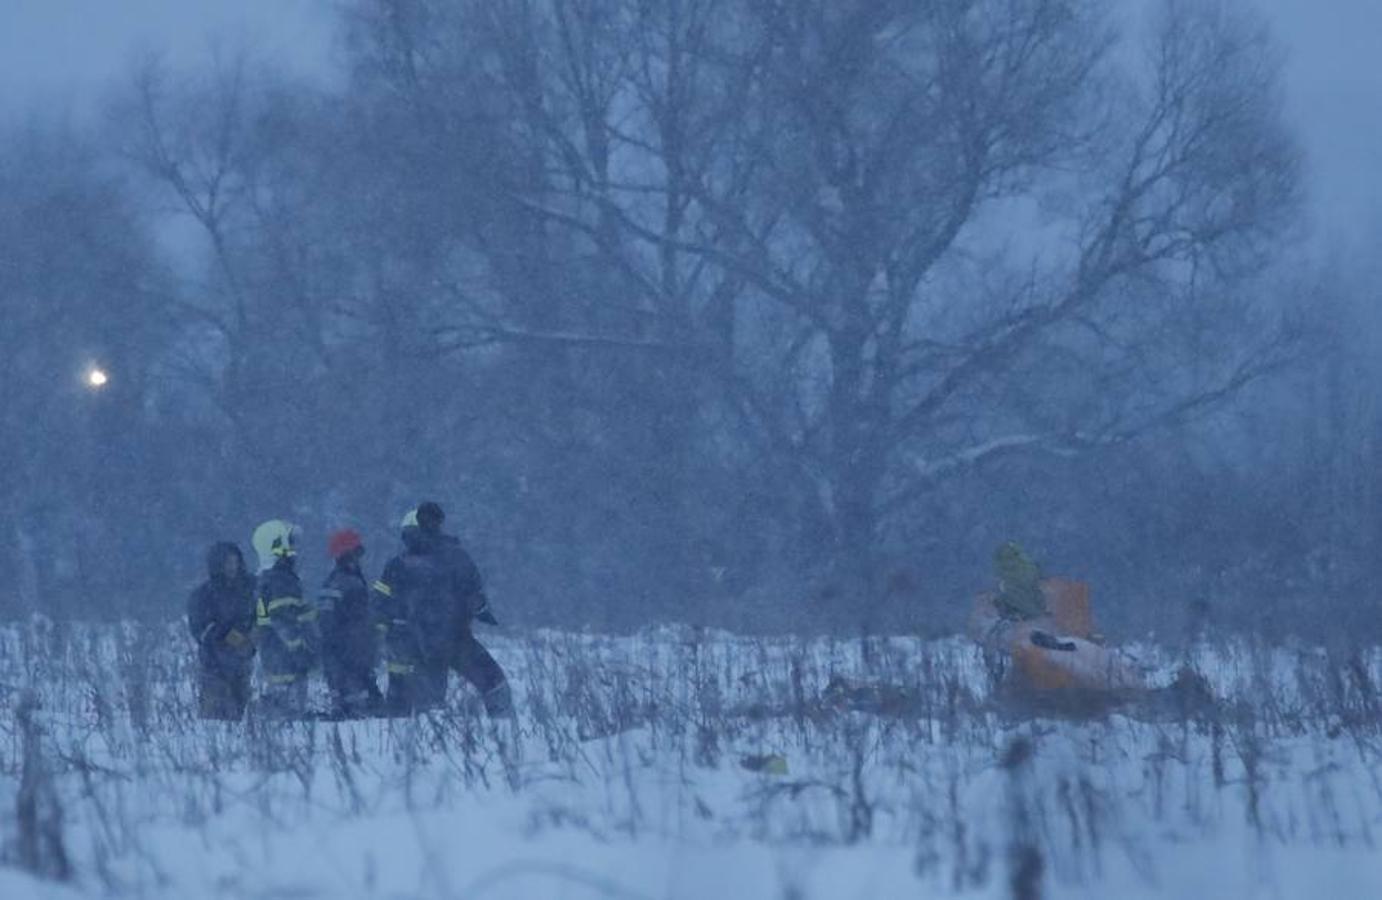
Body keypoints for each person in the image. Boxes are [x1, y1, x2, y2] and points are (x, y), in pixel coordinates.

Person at [372, 502, 509, 716]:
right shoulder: (456, 556)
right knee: (493, 683)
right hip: (455, 638)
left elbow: (380, 602)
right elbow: (475, 594)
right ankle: (504, 730)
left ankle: (424, 735)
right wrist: (482, 611)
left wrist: (388, 629)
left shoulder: (398, 564)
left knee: (427, 704)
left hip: (420, 643)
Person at [251, 519, 318, 717]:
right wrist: (299, 647)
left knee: (282, 705)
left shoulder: (270, 577)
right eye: (290, 541)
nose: (294, 548)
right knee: (287, 712)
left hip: (274, 652)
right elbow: (282, 619)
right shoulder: (281, 579)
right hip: (284, 655)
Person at [187, 542, 257, 720]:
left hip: (242, 665)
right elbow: (203, 631)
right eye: (228, 563)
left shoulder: (248, 590)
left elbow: (257, 617)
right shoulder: (203, 594)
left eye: (235, 562)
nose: (232, 567)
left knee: (242, 715)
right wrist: (235, 639)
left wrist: (253, 637)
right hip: (214, 666)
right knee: (215, 719)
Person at [317, 528, 383, 718]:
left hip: (344, 657)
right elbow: (359, 623)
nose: (359, 559)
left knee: (351, 706)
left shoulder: (333, 582)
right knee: (359, 714)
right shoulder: (349, 583)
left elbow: (327, 626)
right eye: (356, 554)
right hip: (352, 657)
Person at [993, 541, 1047, 621]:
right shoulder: (1027, 570)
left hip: (1032, 612)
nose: (1008, 562)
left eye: (1010, 558)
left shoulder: (1024, 572)